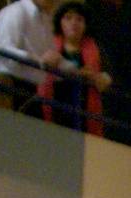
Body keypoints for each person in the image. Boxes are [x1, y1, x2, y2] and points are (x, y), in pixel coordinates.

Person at [41, 2, 112, 136]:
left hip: (84, 116)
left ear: (86, 25)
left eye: (79, 19)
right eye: (68, 18)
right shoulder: (48, 45)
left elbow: (107, 79)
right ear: (60, 22)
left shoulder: (97, 50)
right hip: (56, 111)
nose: (74, 23)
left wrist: (96, 77)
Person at [0, 0, 54, 109]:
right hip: (9, 83)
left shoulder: (45, 20)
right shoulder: (15, 11)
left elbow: (49, 54)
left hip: (32, 88)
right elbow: (3, 48)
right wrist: (32, 58)